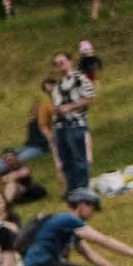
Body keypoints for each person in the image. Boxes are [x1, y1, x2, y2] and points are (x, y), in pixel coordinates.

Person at [49, 52, 96, 192]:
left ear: (69, 61)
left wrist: (70, 107)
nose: (60, 66)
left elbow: (89, 98)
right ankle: (72, 188)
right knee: (65, 159)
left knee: (79, 157)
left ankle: (82, 188)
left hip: (75, 123)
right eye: (57, 64)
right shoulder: (58, 84)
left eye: (62, 62)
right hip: (60, 125)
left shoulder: (80, 79)